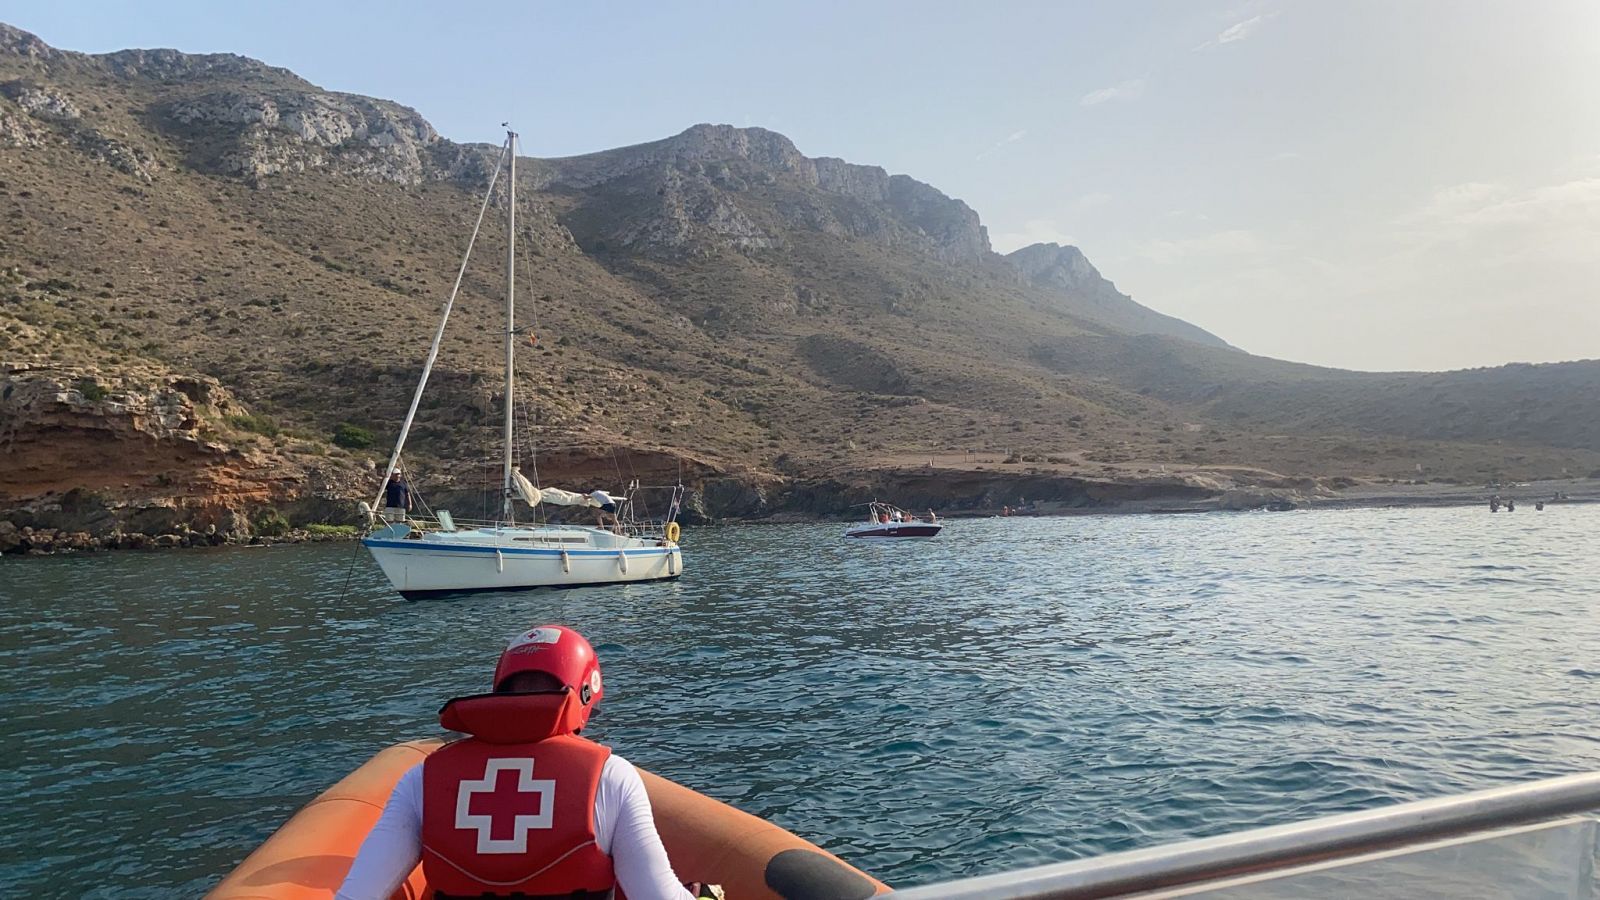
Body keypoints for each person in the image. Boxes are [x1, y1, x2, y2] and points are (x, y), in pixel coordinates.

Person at [336, 625, 710, 900]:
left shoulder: (422, 778)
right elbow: (657, 895)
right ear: (584, 697)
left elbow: (357, 894)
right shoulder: (611, 778)